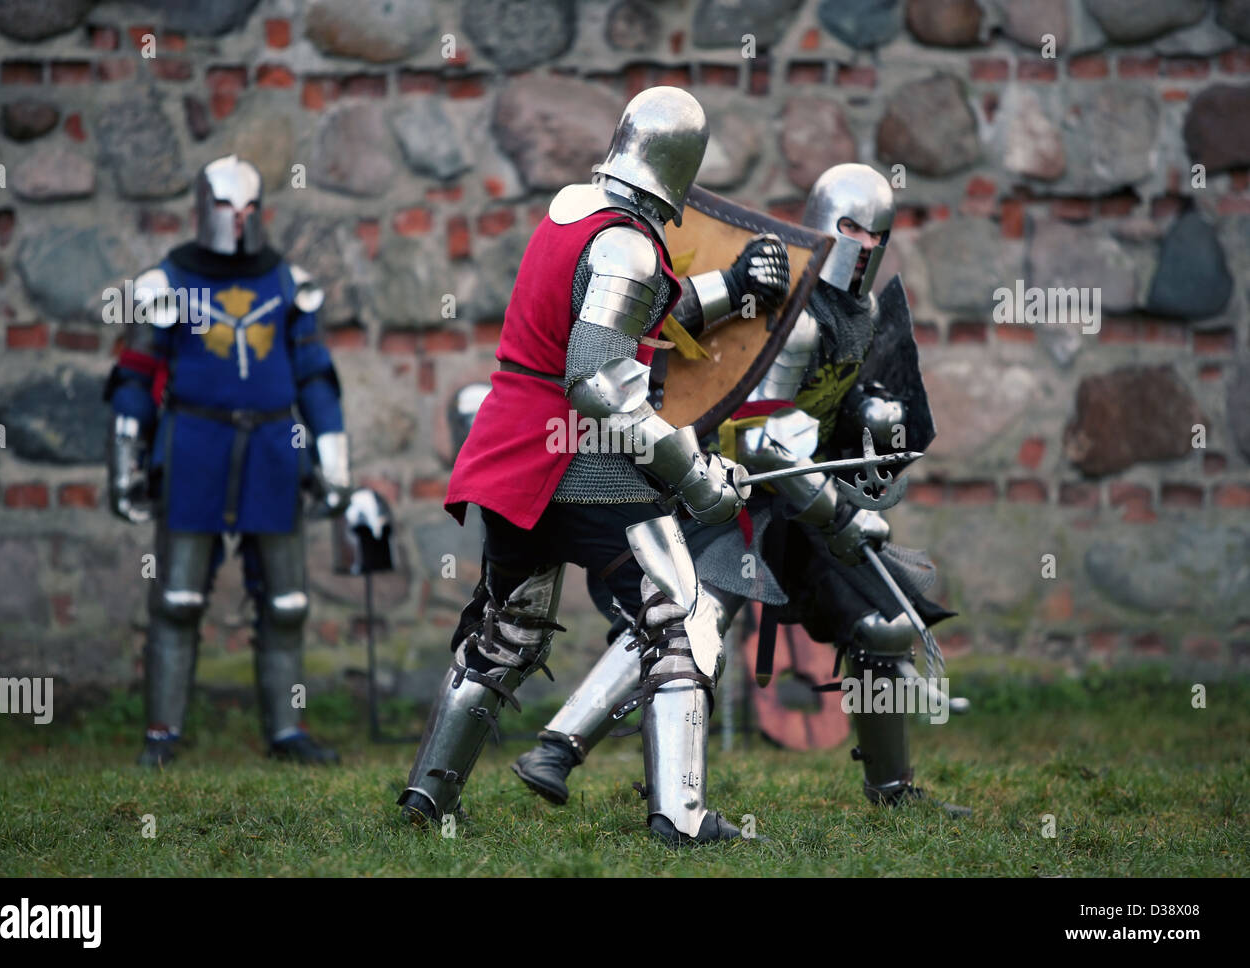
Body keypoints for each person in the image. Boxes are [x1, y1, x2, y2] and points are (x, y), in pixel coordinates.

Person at [513, 163, 971, 817]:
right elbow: (762, 431)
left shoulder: (863, 315)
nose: (865, 246)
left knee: (886, 623)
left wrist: (871, 414)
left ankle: (893, 791)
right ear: (820, 225)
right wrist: (837, 511)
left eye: (878, 235)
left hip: (806, 503)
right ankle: (559, 747)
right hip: (742, 499)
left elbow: (826, 418)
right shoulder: (798, 312)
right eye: (850, 229)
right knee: (688, 620)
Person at [397, 87, 790, 846]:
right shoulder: (629, 243)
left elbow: (632, 320)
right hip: (582, 458)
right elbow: (600, 380)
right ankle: (680, 816)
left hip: (517, 453)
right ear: (681, 167)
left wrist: (733, 290)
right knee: (677, 617)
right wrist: (695, 478)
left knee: (507, 631)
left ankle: (428, 799)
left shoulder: (572, 215)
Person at [105, 155, 350, 767]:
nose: (237, 221)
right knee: (178, 599)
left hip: (273, 449)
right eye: (224, 208)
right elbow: (134, 377)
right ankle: (162, 733)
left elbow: (316, 377)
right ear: (202, 209)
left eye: (247, 209)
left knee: (287, 602)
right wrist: (123, 459)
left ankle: (287, 732)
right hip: (194, 447)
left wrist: (333, 455)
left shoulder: (289, 284)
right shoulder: (165, 284)